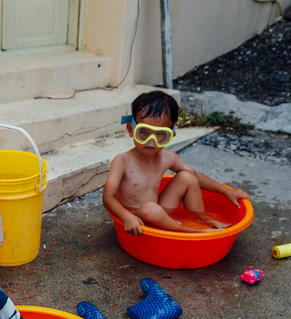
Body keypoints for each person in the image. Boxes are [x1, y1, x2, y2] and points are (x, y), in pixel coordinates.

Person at [103, 91, 251, 235]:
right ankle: (184, 230)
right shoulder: (122, 161)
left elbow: (195, 177)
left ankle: (203, 218)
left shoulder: (168, 158)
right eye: (144, 132)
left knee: (187, 176)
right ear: (131, 129)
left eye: (160, 134)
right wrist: (126, 216)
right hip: (137, 219)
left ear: (171, 135)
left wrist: (227, 191)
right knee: (150, 209)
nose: (151, 141)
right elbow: (108, 197)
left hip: (159, 211)